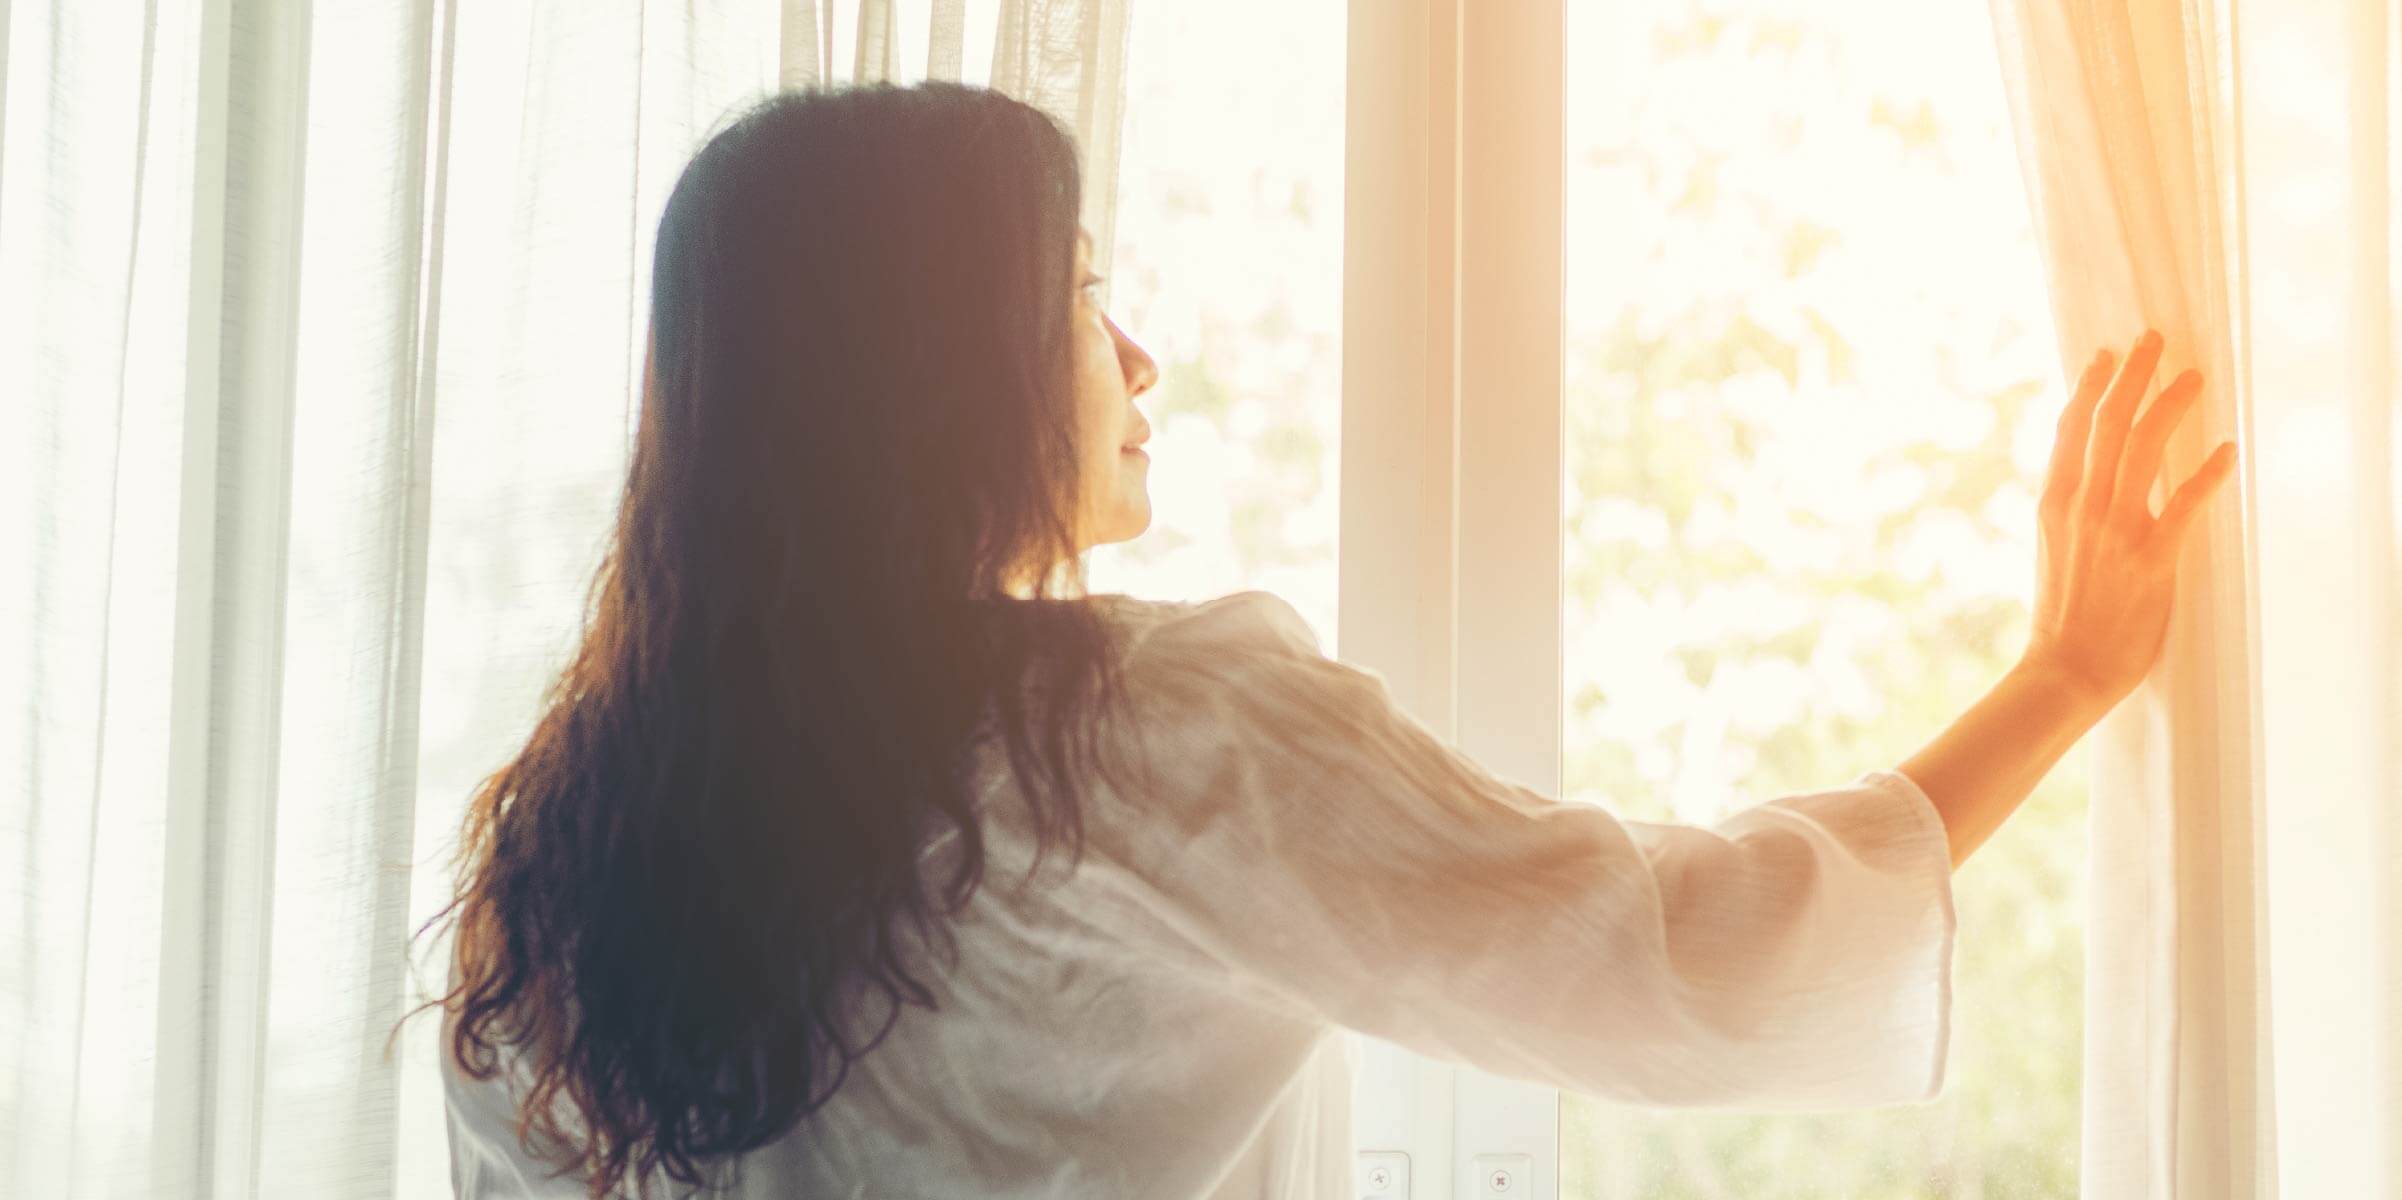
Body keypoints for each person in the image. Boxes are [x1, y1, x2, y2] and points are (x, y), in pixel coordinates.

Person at [422, 81, 2236, 1199]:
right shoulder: (1145, 735)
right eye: (1078, 299)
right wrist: (2065, 677)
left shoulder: (560, 847)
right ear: (938, 377)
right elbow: (1671, 959)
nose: (1137, 362)